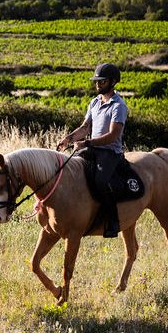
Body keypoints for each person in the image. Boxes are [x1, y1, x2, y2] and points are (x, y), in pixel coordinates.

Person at [56, 62, 127, 238]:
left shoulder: (119, 106)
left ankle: (111, 221)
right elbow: (85, 127)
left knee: (101, 181)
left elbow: (112, 136)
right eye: (96, 81)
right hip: (93, 148)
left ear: (112, 82)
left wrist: (87, 144)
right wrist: (69, 139)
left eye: (101, 81)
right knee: (69, 168)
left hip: (110, 153)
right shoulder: (94, 102)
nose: (97, 84)